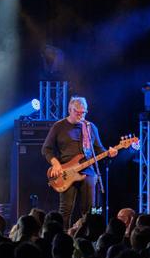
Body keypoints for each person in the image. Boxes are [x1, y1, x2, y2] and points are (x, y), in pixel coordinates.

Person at [42, 96, 117, 229]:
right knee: (66, 209)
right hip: (66, 172)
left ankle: (88, 237)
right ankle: (62, 237)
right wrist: (55, 163)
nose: (81, 115)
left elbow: (99, 150)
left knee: (90, 210)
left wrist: (110, 153)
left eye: (84, 112)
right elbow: (46, 149)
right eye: (78, 112)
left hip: (88, 171)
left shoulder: (89, 127)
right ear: (70, 109)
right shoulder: (58, 126)